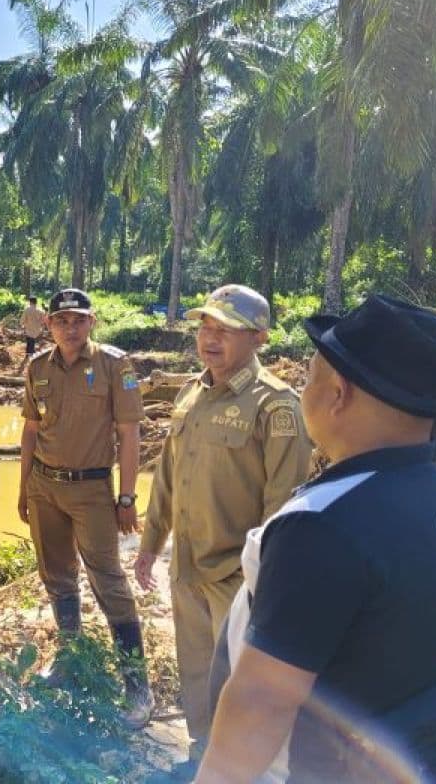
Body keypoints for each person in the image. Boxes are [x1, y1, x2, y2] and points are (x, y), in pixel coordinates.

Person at [198, 294, 436, 783]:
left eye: (309, 378)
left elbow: (262, 702)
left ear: (337, 395)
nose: (302, 388)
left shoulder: (322, 525)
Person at [134, 284, 314, 766]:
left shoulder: (276, 405)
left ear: (258, 337)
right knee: (194, 670)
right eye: (205, 327)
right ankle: (199, 753)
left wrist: (267, 582)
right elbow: (168, 477)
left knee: (237, 682)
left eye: (227, 330)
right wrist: (151, 544)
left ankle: (234, 767)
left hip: (238, 577)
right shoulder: (192, 392)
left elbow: (285, 505)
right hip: (187, 566)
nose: (210, 339)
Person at [18, 287, 154, 727]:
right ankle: (70, 660)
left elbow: (130, 434)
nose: (70, 328)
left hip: (92, 490)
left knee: (109, 582)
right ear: (48, 326)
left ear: (92, 322)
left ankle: (137, 687)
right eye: (61, 321)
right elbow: (31, 431)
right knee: (57, 577)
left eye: (78, 320)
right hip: (44, 487)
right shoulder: (37, 367)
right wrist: (24, 489)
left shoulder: (115, 366)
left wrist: (127, 497)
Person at [18, 295, 47, 372]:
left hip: (29, 330)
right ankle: (33, 355)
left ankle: (31, 358)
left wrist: (22, 326)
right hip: (38, 330)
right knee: (34, 343)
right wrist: (42, 329)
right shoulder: (40, 311)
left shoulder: (27, 310)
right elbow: (44, 321)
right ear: (36, 302)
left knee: (30, 343)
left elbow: (22, 321)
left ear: (30, 302)